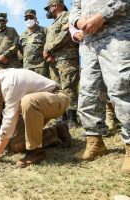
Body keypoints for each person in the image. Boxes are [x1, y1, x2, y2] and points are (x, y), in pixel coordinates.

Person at [70, 0, 130, 173]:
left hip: (117, 35)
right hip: (89, 43)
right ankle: (95, 141)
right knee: (88, 92)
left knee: (122, 87)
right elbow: (76, 6)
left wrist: (102, 15)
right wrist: (77, 21)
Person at [0, 68, 70, 167]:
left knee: (28, 101)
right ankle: (57, 132)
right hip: (37, 108)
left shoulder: (10, 84)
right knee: (16, 144)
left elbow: (9, 120)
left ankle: (35, 152)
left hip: (56, 99)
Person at [43, 0, 80, 127]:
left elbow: (65, 35)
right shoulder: (53, 23)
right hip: (54, 60)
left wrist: (48, 50)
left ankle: (72, 118)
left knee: (69, 87)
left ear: (56, 5)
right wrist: (46, 53)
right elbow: (48, 41)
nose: (48, 11)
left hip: (67, 58)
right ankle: (62, 116)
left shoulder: (67, 16)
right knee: (57, 88)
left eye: (49, 8)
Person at [19, 9, 49, 78]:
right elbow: (21, 51)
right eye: (26, 18)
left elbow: (50, 44)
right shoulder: (22, 34)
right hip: (27, 67)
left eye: (31, 17)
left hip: (41, 67)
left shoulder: (44, 30)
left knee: (42, 88)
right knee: (28, 88)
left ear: (35, 18)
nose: (28, 19)